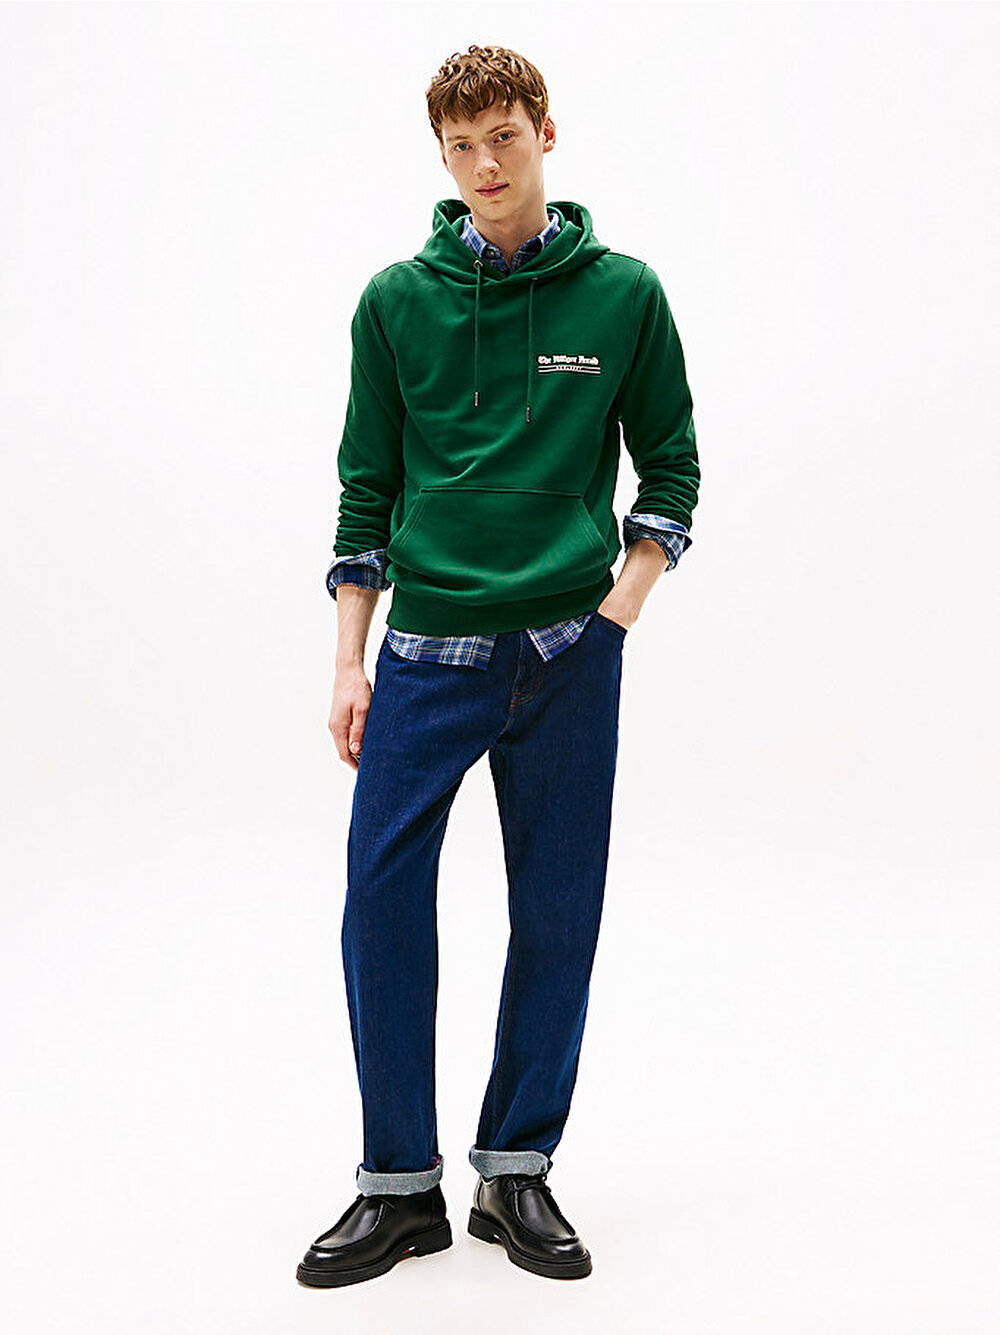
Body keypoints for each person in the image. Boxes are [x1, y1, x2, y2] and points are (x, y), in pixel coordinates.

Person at [296, 42, 700, 1288]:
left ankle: (515, 1171)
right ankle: (397, 1187)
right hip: (427, 654)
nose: (483, 165)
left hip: (569, 654)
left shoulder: (623, 294)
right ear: (442, 156)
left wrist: (614, 616)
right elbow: (365, 490)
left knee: (557, 911)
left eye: (503, 138)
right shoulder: (394, 302)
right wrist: (350, 660)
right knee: (379, 902)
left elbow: (671, 468)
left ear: (545, 134)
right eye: (460, 147)